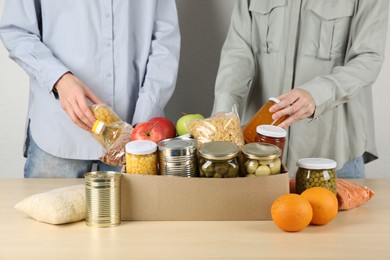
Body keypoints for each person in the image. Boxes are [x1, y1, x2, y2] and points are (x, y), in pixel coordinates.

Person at [0, 0, 180, 178]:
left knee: (135, 208)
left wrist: (143, 123)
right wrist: (60, 79)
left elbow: (165, 40)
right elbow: (17, 29)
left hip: (133, 136)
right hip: (58, 135)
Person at [212, 0, 388, 177]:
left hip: (334, 154)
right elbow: (238, 52)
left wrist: (317, 94)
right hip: (259, 156)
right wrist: (223, 115)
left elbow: (368, 58)